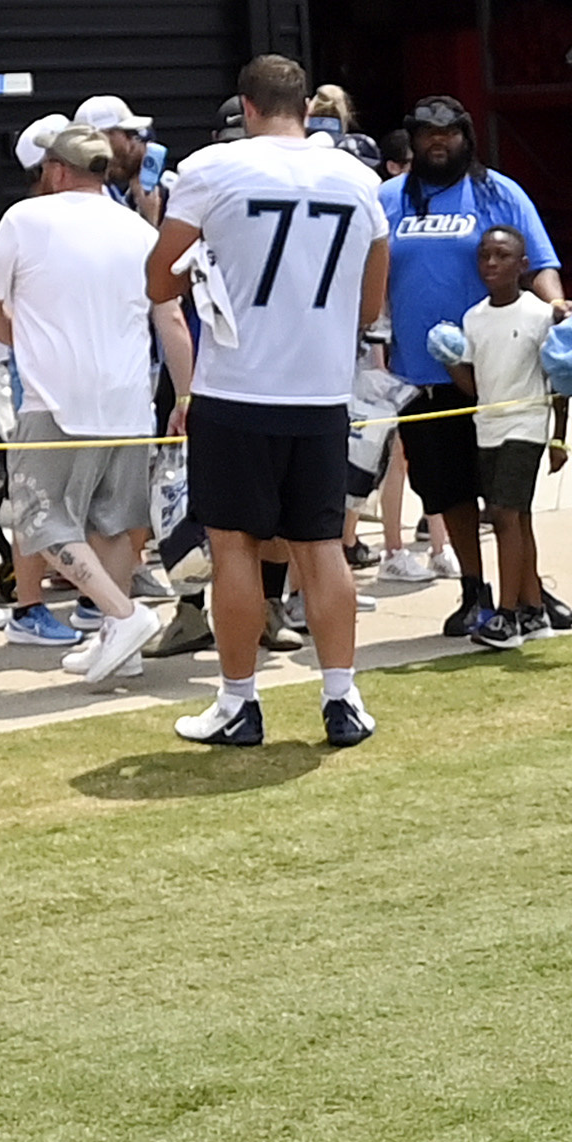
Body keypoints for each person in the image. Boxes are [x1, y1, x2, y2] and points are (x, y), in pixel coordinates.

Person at [146, 54, 383, 749]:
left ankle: (238, 701)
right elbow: (371, 301)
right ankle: (341, 696)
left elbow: (159, 277)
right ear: (306, 108)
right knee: (322, 547)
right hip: (320, 387)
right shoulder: (358, 177)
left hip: (237, 386)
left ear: (246, 108)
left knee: (235, 549)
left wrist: (208, 275)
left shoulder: (210, 170)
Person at [0, 122, 178, 681]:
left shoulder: (26, 218)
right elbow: (169, 316)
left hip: (53, 398)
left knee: (38, 518)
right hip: (130, 398)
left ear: (56, 171)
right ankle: (121, 643)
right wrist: (185, 391)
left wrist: (23, 343)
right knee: (113, 522)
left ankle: (123, 615)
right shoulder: (137, 228)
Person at [377, 93, 560, 612]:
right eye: (428, 134)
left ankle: (527, 593)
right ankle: (474, 592)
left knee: (507, 499)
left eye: (450, 133)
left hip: (501, 374)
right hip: (422, 376)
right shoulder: (389, 199)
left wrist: (559, 308)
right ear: (412, 140)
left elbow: (540, 262)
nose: (439, 142)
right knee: (447, 492)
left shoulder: (499, 193)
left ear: (467, 137)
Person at [449, 221, 568, 637]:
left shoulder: (540, 314)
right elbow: (475, 387)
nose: (491, 263)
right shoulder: (474, 318)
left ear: (523, 265)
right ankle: (535, 609)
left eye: (502, 256)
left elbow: (559, 381)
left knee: (503, 515)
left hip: (527, 425)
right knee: (518, 518)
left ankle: (508, 614)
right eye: (484, 255)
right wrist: (450, 361)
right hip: (488, 427)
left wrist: (559, 437)